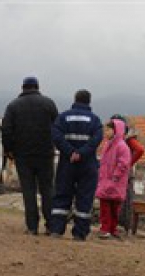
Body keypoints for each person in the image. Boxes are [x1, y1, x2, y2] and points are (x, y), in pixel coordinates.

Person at [2, 76, 59, 235]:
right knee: (47, 189)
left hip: (23, 155)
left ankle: (32, 226)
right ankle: (51, 225)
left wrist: (9, 150)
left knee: (28, 191)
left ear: (22, 87)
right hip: (45, 154)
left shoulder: (13, 106)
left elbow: (6, 130)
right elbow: (58, 127)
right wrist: (53, 145)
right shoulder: (49, 104)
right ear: (37, 87)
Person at [49, 89, 103, 241]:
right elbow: (96, 140)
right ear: (89, 101)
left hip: (67, 162)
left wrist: (70, 152)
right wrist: (82, 153)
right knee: (85, 198)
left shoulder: (63, 117)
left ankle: (56, 229)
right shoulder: (95, 120)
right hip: (87, 164)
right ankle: (79, 233)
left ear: (75, 99)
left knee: (62, 194)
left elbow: (56, 136)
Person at [95, 118, 131, 239]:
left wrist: (115, 177)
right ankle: (107, 228)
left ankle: (109, 229)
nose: (106, 132)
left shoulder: (122, 146)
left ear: (117, 130)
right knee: (105, 206)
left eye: (109, 129)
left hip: (115, 182)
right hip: (106, 181)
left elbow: (124, 164)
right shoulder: (107, 145)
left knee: (114, 208)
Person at [112, 115, 145, 233]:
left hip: (124, 172)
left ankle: (121, 225)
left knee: (123, 199)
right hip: (117, 171)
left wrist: (128, 164)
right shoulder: (118, 138)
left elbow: (140, 150)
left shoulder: (128, 139)